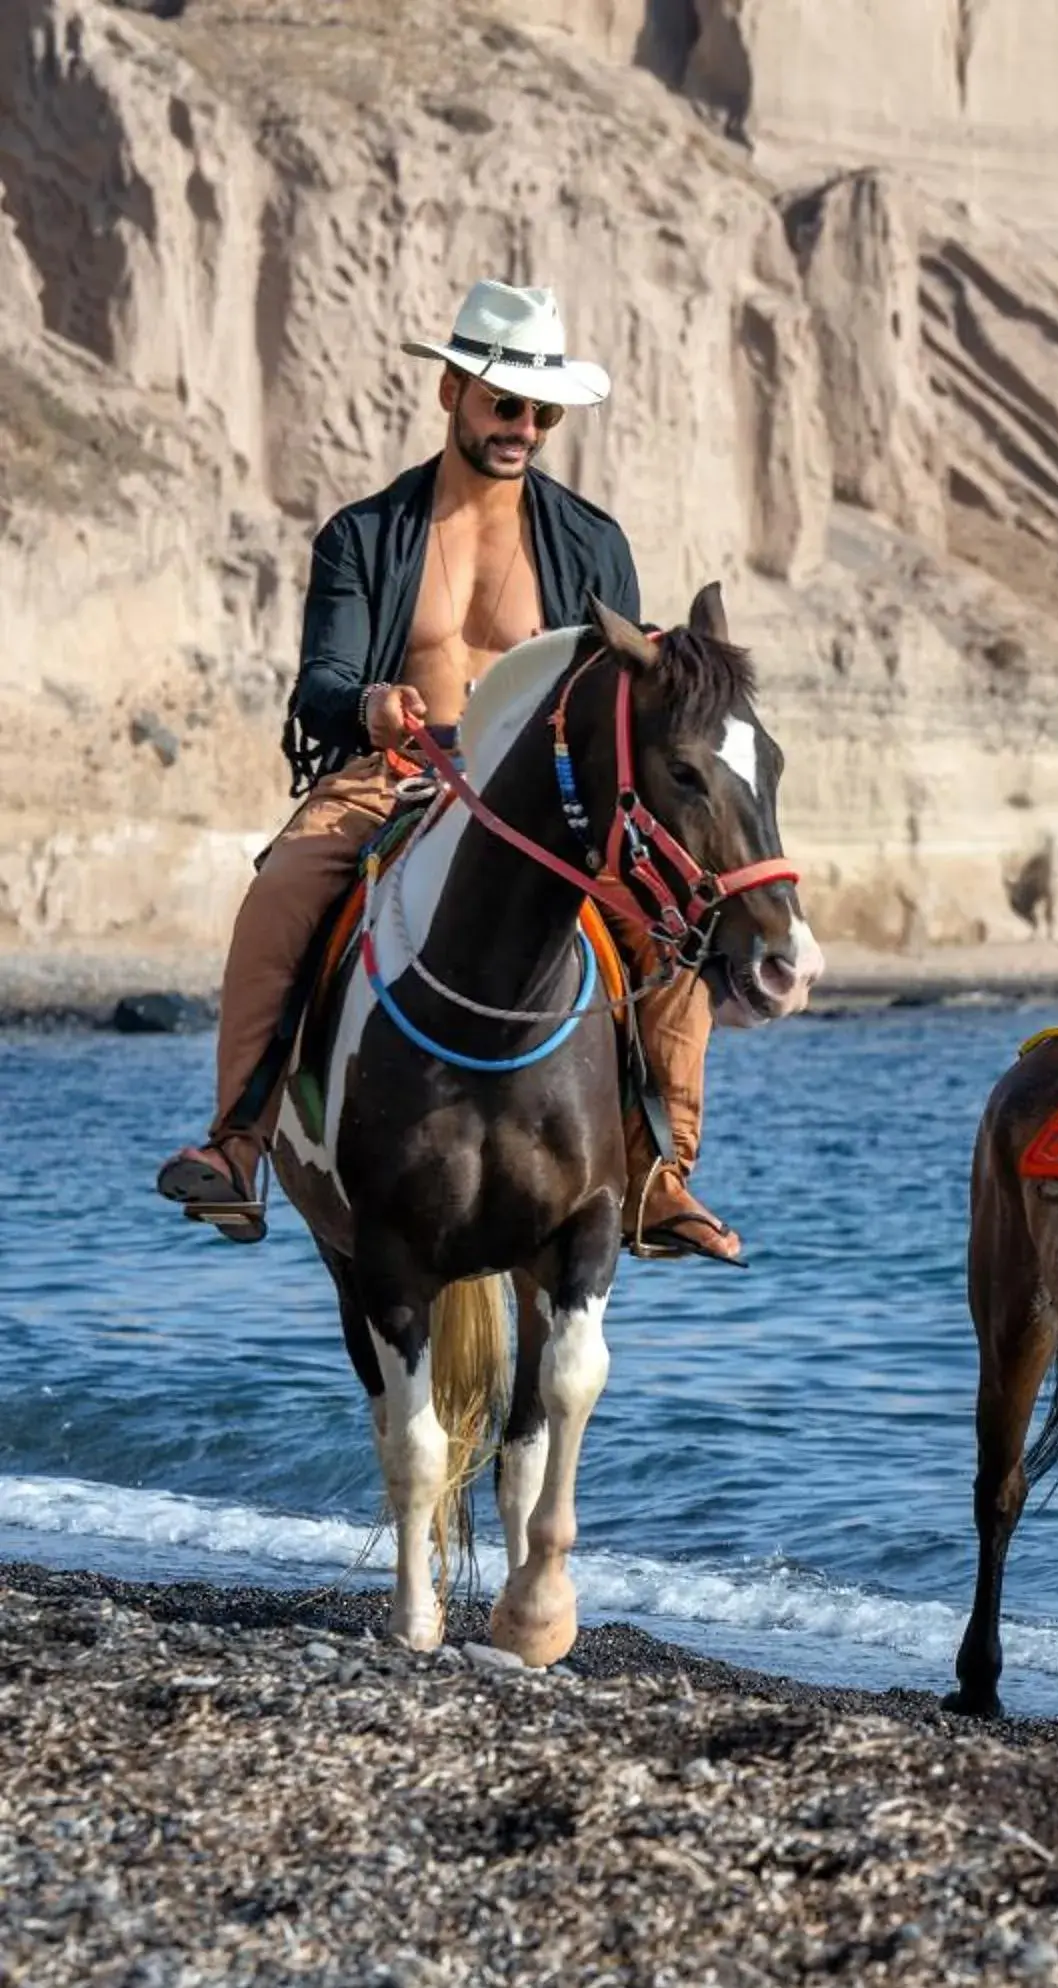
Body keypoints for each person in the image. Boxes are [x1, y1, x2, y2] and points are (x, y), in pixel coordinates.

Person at [153, 278, 745, 1264]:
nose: (522, 426)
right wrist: (369, 705)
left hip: (547, 798)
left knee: (674, 922)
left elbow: (624, 700)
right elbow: (321, 684)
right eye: (503, 402)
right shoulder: (362, 535)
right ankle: (239, 1142)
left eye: (542, 410)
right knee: (283, 889)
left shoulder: (593, 542)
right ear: (451, 391)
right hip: (397, 775)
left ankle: (658, 1172)